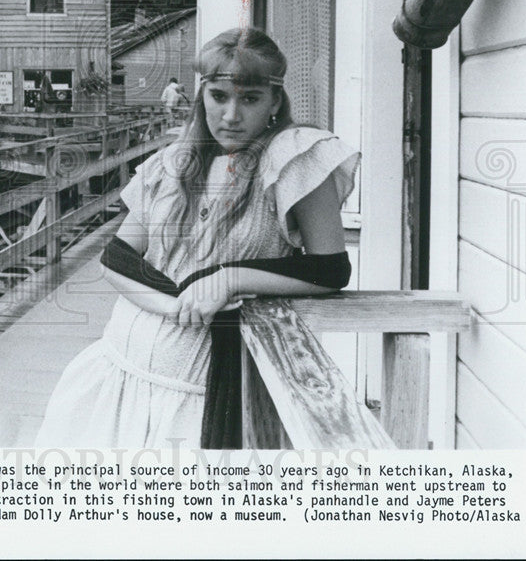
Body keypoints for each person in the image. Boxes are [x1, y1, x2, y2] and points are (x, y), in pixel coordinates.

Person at [34, 27, 359, 449]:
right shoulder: (175, 161)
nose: (231, 115)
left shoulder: (294, 159)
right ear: (202, 95)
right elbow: (116, 258)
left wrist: (229, 277)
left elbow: (329, 269)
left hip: (203, 397)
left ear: (275, 100)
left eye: (250, 99)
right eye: (219, 97)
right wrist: (177, 306)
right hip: (118, 373)